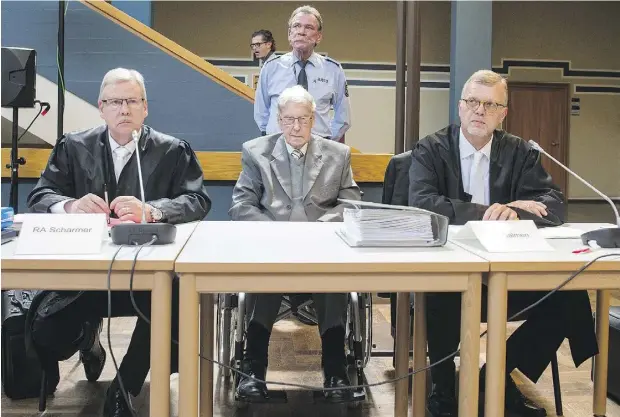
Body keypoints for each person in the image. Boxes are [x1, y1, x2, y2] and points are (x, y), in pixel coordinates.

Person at [408, 70, 598, 417]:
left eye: (490, 105)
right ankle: (444, 393)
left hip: (509, 274)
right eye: (473, 103)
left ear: (503, 113)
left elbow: (553, 204)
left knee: (569, 298)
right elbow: (422, 203)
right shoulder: (432, 148)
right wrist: (490, 212)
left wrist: (514, 212)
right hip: (451, 273)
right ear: (460, 107)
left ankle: (492, 376)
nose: (480, 111)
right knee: (440, 297)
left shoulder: (520, 151)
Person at [26, 68, 211, 417]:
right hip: (84, 272)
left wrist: (153, 211)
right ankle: (88, 339)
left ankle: (123, 391)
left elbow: (197, 201)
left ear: (145, 108)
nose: (124, 109)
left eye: (132, 101)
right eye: (115, 102)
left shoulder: (172, 150)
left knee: (174, 308)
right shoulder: (73, 146)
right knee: (45, 328)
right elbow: (40, 196)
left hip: (147, 273)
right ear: (101, 107)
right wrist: (70, 205)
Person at [230, 85, 360, 403]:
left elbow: (352, 202)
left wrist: (320, 230)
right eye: (289, 120)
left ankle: (335, 371)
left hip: (322, 247)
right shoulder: (256, 151)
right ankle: (253, 370)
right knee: (265, 271)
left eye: (302, 119)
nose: (296, 127)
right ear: (278, 119)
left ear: (313, 119)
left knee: (333, 276)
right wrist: (274, 234)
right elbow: (241, 204)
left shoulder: (337, 154)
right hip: (273, 247)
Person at [254, 5, 351, 142]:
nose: (301, 32)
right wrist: (273, 139)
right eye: (296, 26)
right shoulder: (271, 67)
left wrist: (325, 143)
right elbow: (261, 113)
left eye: (309, 27)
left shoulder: (333, 70)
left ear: (318, 37)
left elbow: (343, 118)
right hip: (278, 147)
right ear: (289, 34)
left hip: (319, 151)